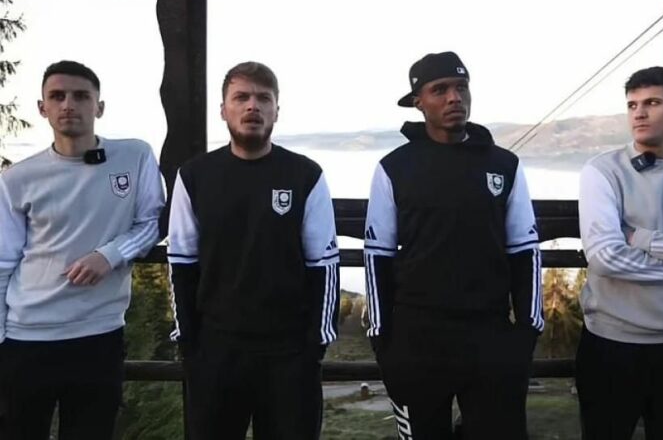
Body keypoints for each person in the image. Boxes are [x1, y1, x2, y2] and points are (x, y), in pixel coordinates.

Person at [364, 51, 543, 439]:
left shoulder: (504, 165)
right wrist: (382, 338)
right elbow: (377, 255)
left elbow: (525, 249)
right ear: (419, 101)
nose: (454, 97)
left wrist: (527, 331)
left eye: (461, 87)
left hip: (490, 334)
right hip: (417, 337)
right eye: (440, 90)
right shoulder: (394, 167)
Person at [168, 61, 339, 440]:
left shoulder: (305, 175)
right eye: (241, 97)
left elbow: (324, 264)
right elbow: (181, 263)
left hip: (288, 354)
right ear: (223, 109)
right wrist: (190, 344)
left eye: (263, 98)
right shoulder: (194, 176)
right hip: (216, 351)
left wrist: (315, 345)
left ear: (276, 110)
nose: (252, 106)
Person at [0, 60, 165, 439]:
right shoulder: (17, 179)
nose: (68, 105)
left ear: (99, 106)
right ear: (42, 108)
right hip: (27, 339)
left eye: (80, 96)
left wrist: (109, 255)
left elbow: (152, 224)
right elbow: (3, 262)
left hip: (99, 335)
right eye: (57, 96)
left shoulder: (135, 156)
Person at [576, 66, 663, 439]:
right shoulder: (603, 172)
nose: (639, 113)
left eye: (652, 103)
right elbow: (605, 256)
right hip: (613, 344)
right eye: (632, 105)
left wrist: (642, 238)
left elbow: (624, 248)